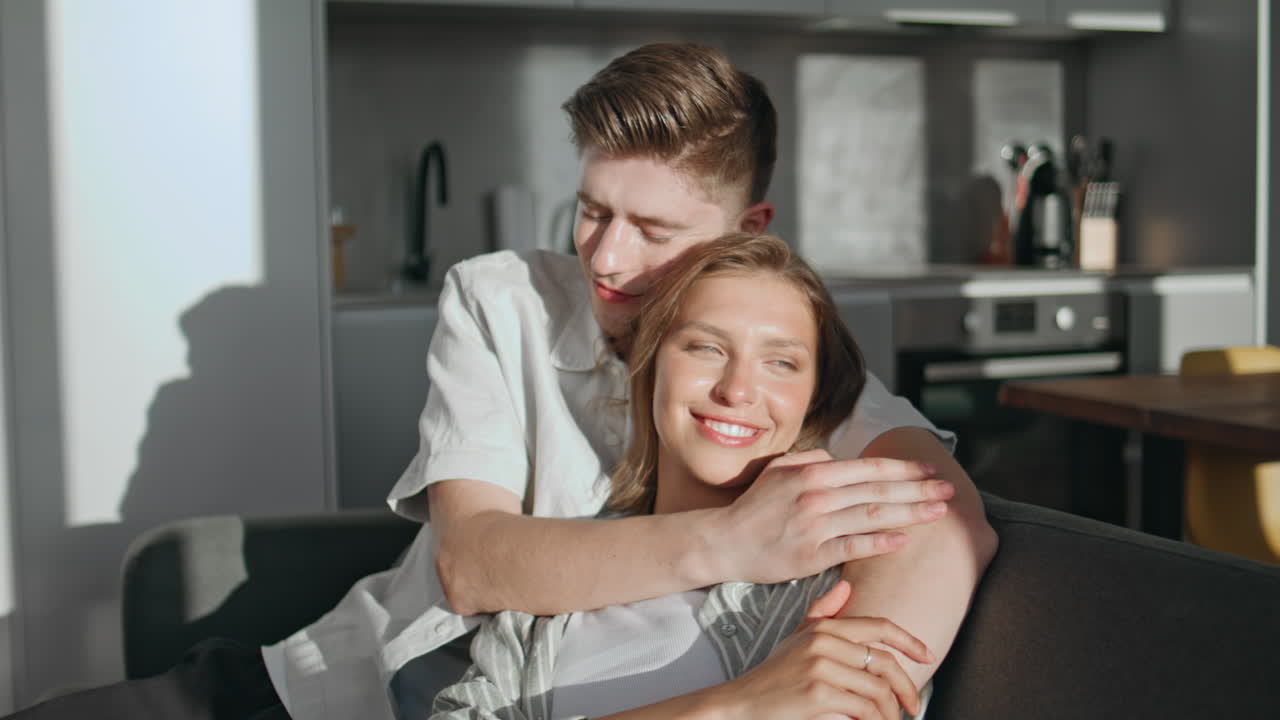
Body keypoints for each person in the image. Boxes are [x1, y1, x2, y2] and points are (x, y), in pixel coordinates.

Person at [5, 42, 994, 720]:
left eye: (653, 230)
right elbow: (473, 565)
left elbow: (947, 519)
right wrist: (731, 538)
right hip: (323, 689)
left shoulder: (773, 355)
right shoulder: (500, 297)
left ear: (748, 229)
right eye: (590, 209)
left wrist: (827, 686)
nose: (605, 256)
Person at [430, 232, 942, 720]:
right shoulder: (553, 582)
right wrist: (735, 706)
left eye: (781, 362)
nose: (737, 390)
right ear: (651, 365)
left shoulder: (838, 595)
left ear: (813, 398)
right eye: (707, 348)